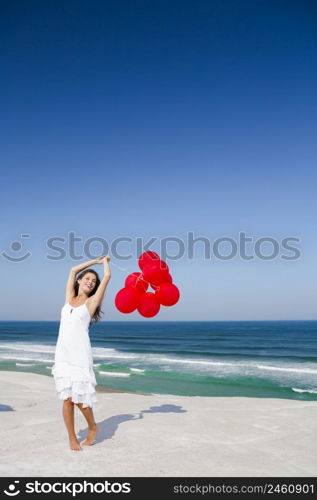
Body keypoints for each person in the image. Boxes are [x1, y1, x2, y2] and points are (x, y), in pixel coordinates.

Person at [52, 255, 111, 451]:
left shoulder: (91, 303)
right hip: (62, 354)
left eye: (93, 282)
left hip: (79, 355)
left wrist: (104, 264)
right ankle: (71, 438)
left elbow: (107, 277)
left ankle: (93, 427)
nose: (90, 282)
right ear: (79, 281)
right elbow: (72, 270)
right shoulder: (69, 298)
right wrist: (93, 261)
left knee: (80, 399)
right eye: (87, 279)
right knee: (67, 399)